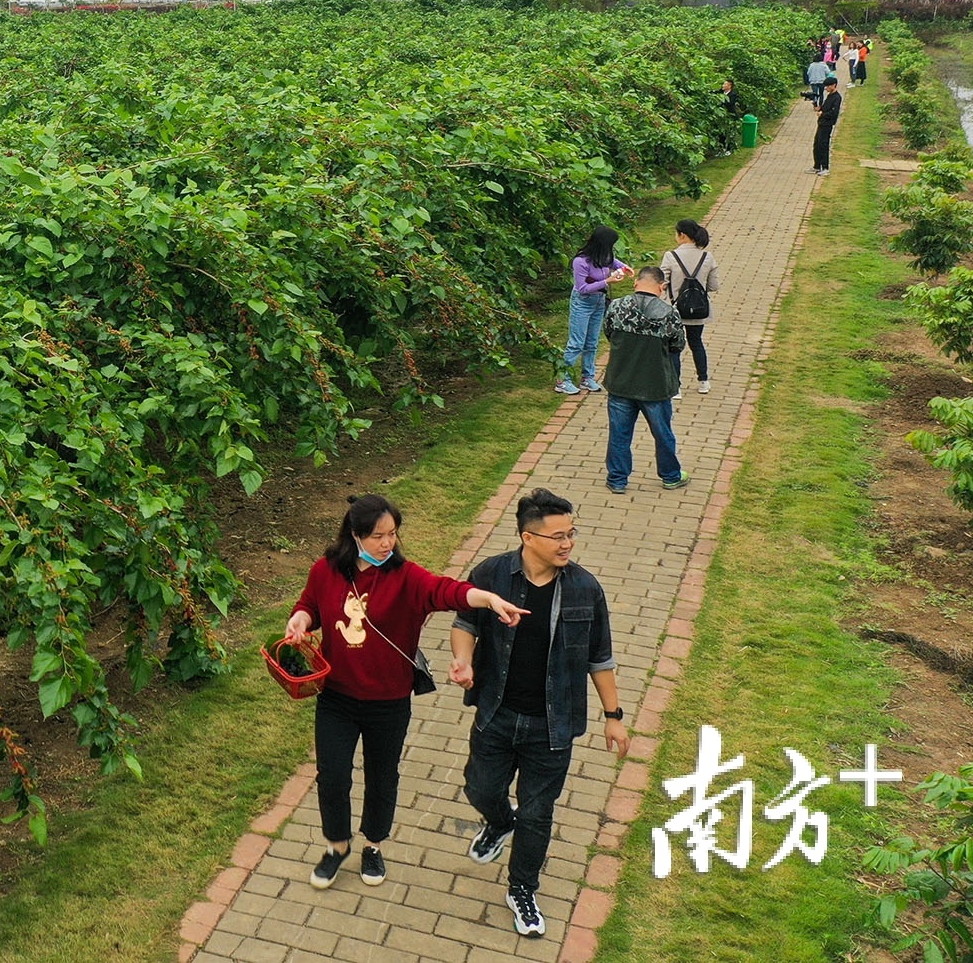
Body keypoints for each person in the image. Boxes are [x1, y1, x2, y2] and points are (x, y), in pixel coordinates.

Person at [283, 496, 528, 891]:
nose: (387, 544)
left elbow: (449, 591)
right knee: (332, 775)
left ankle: (373, 845)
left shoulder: (407, 578)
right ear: (355, 535)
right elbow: (308, 604)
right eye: (378, 536)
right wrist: (300, 620)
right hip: (337, 699)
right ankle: (337, 846)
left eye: (393, 534)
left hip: (388, 702)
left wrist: (488, 599)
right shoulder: (325, 571)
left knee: (382, 777)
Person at [450, 488, 630, 939]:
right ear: (528, 538)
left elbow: (600, 658)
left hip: (553, 727)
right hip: (496, 713)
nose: (567, 543)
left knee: (538, 812)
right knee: (480, 787)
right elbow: (464, 624)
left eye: (572, 534)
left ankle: (522, 889)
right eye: (558, 536)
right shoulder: (492, 573)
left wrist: (614, 714)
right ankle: (498, 822)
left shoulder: (586, 589)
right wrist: (465, 661)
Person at [602, 265, 687, 494]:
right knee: (662, 433)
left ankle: (618, 479)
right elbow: (676, 345)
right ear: (662, 287)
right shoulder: (669, 314)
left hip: (620, 382)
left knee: (619, 434)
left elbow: (608, 333)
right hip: (655, 386)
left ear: (636, 283)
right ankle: (671, 476)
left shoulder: (617, 307)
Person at [558, 226, 631, 395]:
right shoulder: (581, 262)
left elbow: (612, 262)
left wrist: (624, 267)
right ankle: (563, 380)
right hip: (582, 302)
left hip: (598, 301)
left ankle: (587, 377)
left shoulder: (604, 255)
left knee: (592, 342)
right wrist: (608, 280)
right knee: (576, 342)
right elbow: (583, 288)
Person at [660, 219, 721, 397]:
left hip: (676, 309)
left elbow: (662, 282)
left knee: (674, 347)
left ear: (682, 235)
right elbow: (714, 286)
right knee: (696, 342)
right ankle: (703, 381)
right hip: (699, 309)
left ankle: (676, 387)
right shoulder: (707, 257)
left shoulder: (671, 256)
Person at [814, 75, 842, 176]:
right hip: (821, 123)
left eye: (828, 86)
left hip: (827, 124)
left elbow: (834, 112)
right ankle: (817, 166)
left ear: (834, 85)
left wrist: (823, 114)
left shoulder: (837, 97)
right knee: (817, 145)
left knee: (823, 145)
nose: (826, 88)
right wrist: (820, 108)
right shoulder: (829, 96)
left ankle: (825, 167)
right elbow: (826, 107)